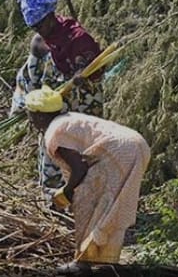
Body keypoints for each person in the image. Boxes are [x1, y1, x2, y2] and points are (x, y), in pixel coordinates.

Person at [24, 86, 150, 273]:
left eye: (30, 114)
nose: (29, 119)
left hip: (120, 151)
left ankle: (83, 262)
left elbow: (79, 168)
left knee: (87, 200)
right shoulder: (68, 119)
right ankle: (106, 260)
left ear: (40, 116)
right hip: (137, 146)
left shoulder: (55, 132)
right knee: (111, 205)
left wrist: (66, 192)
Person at [17, 0, 104, 116]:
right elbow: (29, 80)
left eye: (40, 25)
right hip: (50, 105)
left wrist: (80, 73)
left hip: (81, 103)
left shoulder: (77, 38)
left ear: (50, 16)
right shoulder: (39, 43)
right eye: (34, 28)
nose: (39, 31)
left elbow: (91, 68)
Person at [10, 34, 68, 206]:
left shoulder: (59, 62)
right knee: (51, 158)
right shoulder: (34, 70)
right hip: (49, 116)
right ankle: (54, 201)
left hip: (57, 119)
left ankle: (57, 200)